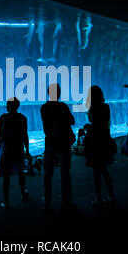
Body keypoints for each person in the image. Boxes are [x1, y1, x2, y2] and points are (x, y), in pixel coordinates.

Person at [40, 83, 76, 213]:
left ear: (48, 93)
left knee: (47, 174)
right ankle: (66, 202)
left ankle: (47, 201)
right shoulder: (63, 107)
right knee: (65, 173)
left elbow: (46, 127)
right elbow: (72, 121)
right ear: (59, 94)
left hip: (50, 143)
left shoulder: (44, 108)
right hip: (64, 143)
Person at [83, 86, 116, 208]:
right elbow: (105, 124)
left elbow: (94, 124)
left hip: (95, 142)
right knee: (104, 170)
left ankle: (98, 197)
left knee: (96, 172)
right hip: (104, 140)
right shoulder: (106, 107)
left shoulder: (93, 109)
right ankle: (111, 195)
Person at [0, 97, 30, 209]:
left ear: (7, 106)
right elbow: (25, 136)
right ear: (17, 106)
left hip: (5, 148)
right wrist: (27, 150)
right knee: (20, 172)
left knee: (6, 175)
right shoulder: (22, 118)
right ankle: (23, 194)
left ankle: (6, 201)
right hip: (18, 147)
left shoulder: (3, 118)